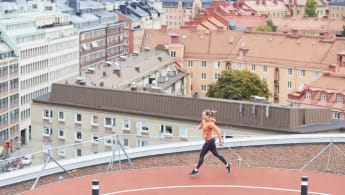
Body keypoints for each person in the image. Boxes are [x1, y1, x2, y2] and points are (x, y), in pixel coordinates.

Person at [189, 110, 231, 176]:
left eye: (203, 115)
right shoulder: (203, 120)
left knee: (201, 155)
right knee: (216, 154)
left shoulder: (210, 123)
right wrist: (198, 127)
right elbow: (201, 125)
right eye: (202, 115)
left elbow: (218, 131)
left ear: (207, 116)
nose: (202, 116)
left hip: (209, 141)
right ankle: (227, 164)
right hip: (210, 141)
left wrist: (220, 141)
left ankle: (196, 170)